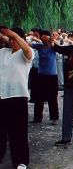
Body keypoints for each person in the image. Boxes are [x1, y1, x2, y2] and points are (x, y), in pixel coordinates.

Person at [0, 28, 34, 169]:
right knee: (1, 131)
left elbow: (25, 48)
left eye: (15, 39)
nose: (12, 42)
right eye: (11, 40)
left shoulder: (26, 53)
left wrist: (13, 35)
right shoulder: (2, 52)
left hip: (18, 97)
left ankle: (21, 161)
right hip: (2, 96)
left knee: (18, 131)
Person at [30, 30, 59, 125]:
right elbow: (28, 44)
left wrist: (51, 39)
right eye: (42, 38)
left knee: (52, 98)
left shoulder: (53, 47)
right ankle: (37, 117)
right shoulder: (39, 46)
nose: (43, 40)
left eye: (44, 38)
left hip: (52, 76)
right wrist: (33, 38)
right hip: (41, 75)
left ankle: (54, 118)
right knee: (38, 98)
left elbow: (57, 46)